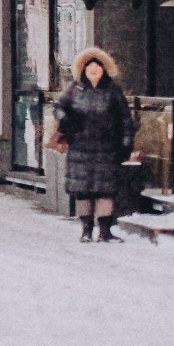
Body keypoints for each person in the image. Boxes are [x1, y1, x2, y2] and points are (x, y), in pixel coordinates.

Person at [55, 47, 135, 243]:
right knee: (83, 192)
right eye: (89, 67)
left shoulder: (113, 90)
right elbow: (59, 107)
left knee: (105, 191)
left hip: (107, 149)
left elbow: (125, 119)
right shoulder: (75, 88)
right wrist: (65, 118)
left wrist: (126, 144)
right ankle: (86, 231)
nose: (93, 70)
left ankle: (104, 232)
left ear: (104, 69)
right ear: (83, 69)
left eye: (97, 67)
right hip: (80, 148)